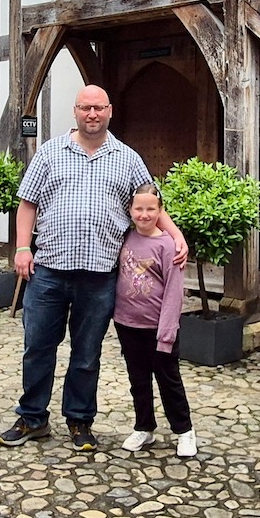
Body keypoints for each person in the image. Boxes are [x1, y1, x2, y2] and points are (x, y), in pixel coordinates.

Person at [0, 85, 186, 452]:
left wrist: (176, 237)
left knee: (87, 353)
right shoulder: (50, 152)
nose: (92, 114)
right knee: (38, 347)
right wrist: (22, 247)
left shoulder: (128, 158)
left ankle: (80, 421)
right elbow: (27, 204)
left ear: (109, 111)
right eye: (85, 108)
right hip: (48, 271)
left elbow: (153, 204)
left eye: (98, 108)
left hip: (100, 276)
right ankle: (33, 417)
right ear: (76, 111)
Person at [113, 182, 196, 457]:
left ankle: (184, 431)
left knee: (168, 379)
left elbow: (173, 292)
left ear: (160, 211)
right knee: (138, 379)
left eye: (151, 209)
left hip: (158, 327)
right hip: (127, 324)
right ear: (130, 210)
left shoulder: (168, 245)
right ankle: (143, 426)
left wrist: (167, 331)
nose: (144, 214)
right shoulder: (125, 237)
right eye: (139, 208)